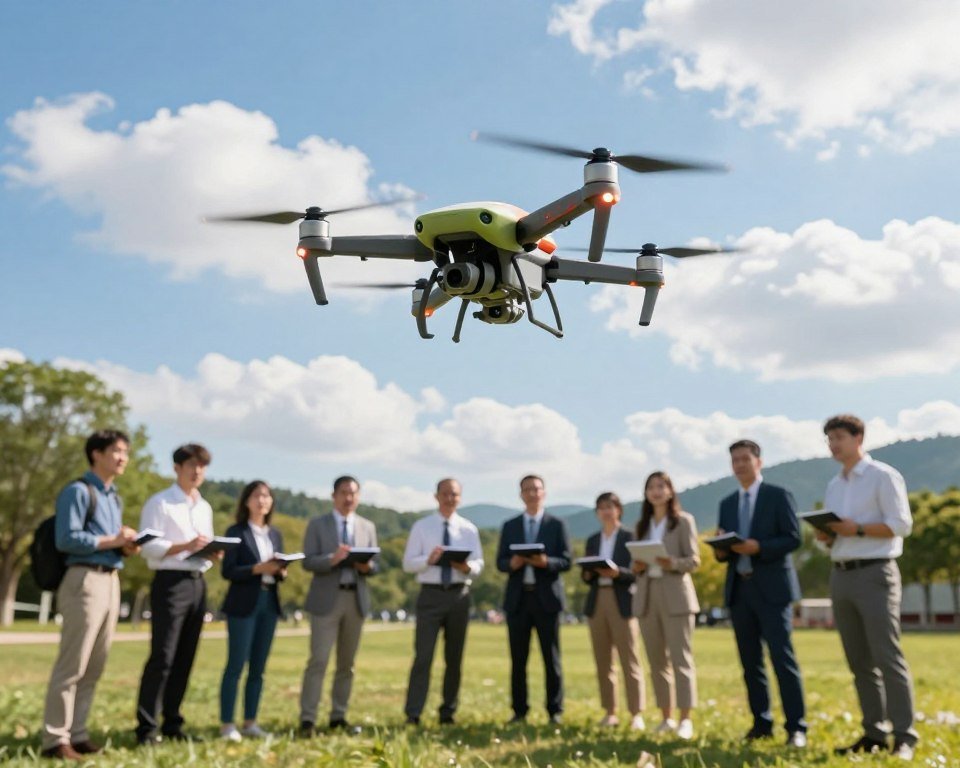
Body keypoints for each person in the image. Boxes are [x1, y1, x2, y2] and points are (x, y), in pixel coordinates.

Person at [818, 415, 918, 760]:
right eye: (829, 438)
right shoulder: (834, 485)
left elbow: (901, 525)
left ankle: (905, 736)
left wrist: (856, 529)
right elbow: (839, 533)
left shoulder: (883, 476)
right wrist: (827, 536)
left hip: (875, 573)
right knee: (858, 660)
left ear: (859, 437)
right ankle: (874, 733)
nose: (833, 444)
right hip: (841, 574)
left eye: (839, 437)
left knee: (887, 657)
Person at [41, 430, 139, 760]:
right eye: (116, 451)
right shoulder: (77, 491)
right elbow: (66, 539)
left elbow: (107, 540)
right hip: (83, 580)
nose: (123, 457)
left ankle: (78, 733)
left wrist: (125, 545)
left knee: (95, 666)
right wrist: (114, 540)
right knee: (72, 665)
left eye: (126, 451)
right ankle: (55, 739)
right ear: (96, 454)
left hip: (111, 580)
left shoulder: (114, 497)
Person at [715, 440, 807, 748]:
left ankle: (796, 727)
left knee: (783, 659)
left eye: (745, 459)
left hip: (772, 590)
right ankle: (761, 723)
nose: (739, 464)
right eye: (735, 460)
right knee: (750, 662)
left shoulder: (778, 496)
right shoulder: (726, 503)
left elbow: (793, 538)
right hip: (740, 590)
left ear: (759, 461)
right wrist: (720, 548)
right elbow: (726, 548)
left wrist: (760, 547)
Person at [135, 443, 216, 745]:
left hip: (198, 582)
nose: (197, 471)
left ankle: (173, 723)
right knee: (163, 656)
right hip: (170, 583)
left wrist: (211, 552)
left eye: (202, 466)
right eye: (191, 465)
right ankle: (147, 728)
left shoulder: (204, 506)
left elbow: (201, 549)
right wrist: (186, 546)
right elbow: (148, 547)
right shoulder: (160, 503)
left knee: (185, 656)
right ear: (177, 468)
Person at [299, 476, 378, 737]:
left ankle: (338, 716)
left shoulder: (367, 527)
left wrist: (366, 566)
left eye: (353, 493)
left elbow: (373, 565)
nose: (349, 498)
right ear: (334, 496)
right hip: (326, 600)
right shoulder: (317, 525)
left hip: (355, 600)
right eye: (344, 493)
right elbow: (308, 561)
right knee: (318, 661)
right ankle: (308, 719)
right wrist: (333, 559)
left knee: (347, 664)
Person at [402, 478, 484, 726]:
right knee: (423, 656)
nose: (450, 498)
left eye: (455, 494)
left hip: (459, 595)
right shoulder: (422, 527)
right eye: (445, 494)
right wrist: (429, 559)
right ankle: (413, 713)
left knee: (454, 657)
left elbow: (479, 564)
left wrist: (466, 566)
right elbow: (408, 564)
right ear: (436, 496)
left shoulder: (469, 529)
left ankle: (448, 712)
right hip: (431, 594)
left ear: (460, 498)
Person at [495, 474, 572, 724]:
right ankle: (519, 711)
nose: (532, 493)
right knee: (518, 660)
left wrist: (546, 562)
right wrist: (513, 563)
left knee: (552, 659)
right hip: (518, 600)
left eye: (536, 489)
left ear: (544, 492)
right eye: (527, 489)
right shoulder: (510, 525)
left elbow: (567, 561)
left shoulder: (556, 524)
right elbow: (500, 562)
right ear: (521, 494)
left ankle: (555, 711)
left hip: (547, 600)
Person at [631, 472, 700, 740]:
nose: (656, 491)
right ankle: (666, 717)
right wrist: (637, 566)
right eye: (651, 487)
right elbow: (636, 563)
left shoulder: (683, 522)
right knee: (657, 661)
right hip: (648, 597)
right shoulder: (642, 525)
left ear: (671, 491)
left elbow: (693, 560)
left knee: (681, 659)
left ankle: (685, 719)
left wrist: (671, 562)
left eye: (661, 486)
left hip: (676, 596)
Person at [218, 481, 287, 742]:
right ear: (246, 501)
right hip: (243, 604)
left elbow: (276, 568)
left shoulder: (275, 534)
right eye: (257, 495)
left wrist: (280, 570)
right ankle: (227, 724)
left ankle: (250, 722)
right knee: (236, 665)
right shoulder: (236, 532)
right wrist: (257, 569)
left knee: (258, 668)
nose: (262, 500)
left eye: (267, 495)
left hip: (269, 602)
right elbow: (228, 571)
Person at [582, 492, 645, 730]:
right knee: (603, 661)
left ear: (619, 509)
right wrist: (588, 571)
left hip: (623, 601)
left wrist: (618, 573)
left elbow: (638, 572)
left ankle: (636, 712)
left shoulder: (630, 537)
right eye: (601, 508)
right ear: (597, 512)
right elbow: (586, 576)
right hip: (597, 600)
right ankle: (610, 711)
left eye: (610, 506)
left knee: (630, 659)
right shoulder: (592, 540)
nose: (606, 511)